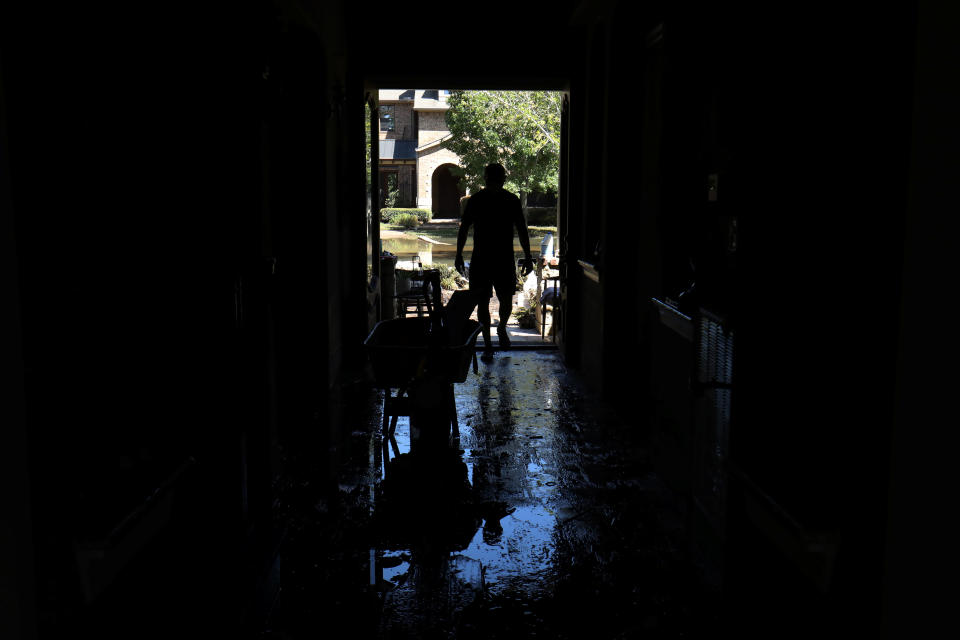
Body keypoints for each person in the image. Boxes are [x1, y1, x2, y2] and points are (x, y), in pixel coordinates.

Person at [455, 163, 533, 360]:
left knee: (486, 302)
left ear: (485, 177)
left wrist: (458, 254)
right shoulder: (509, 200)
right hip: (501, 257)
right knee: (503, 299)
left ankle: (493, 339)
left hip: (483, 257)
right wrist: (528, 256)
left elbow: (464, 230)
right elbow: (522, 231)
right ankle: (498, 333)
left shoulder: (477, 200)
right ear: (503, 179)